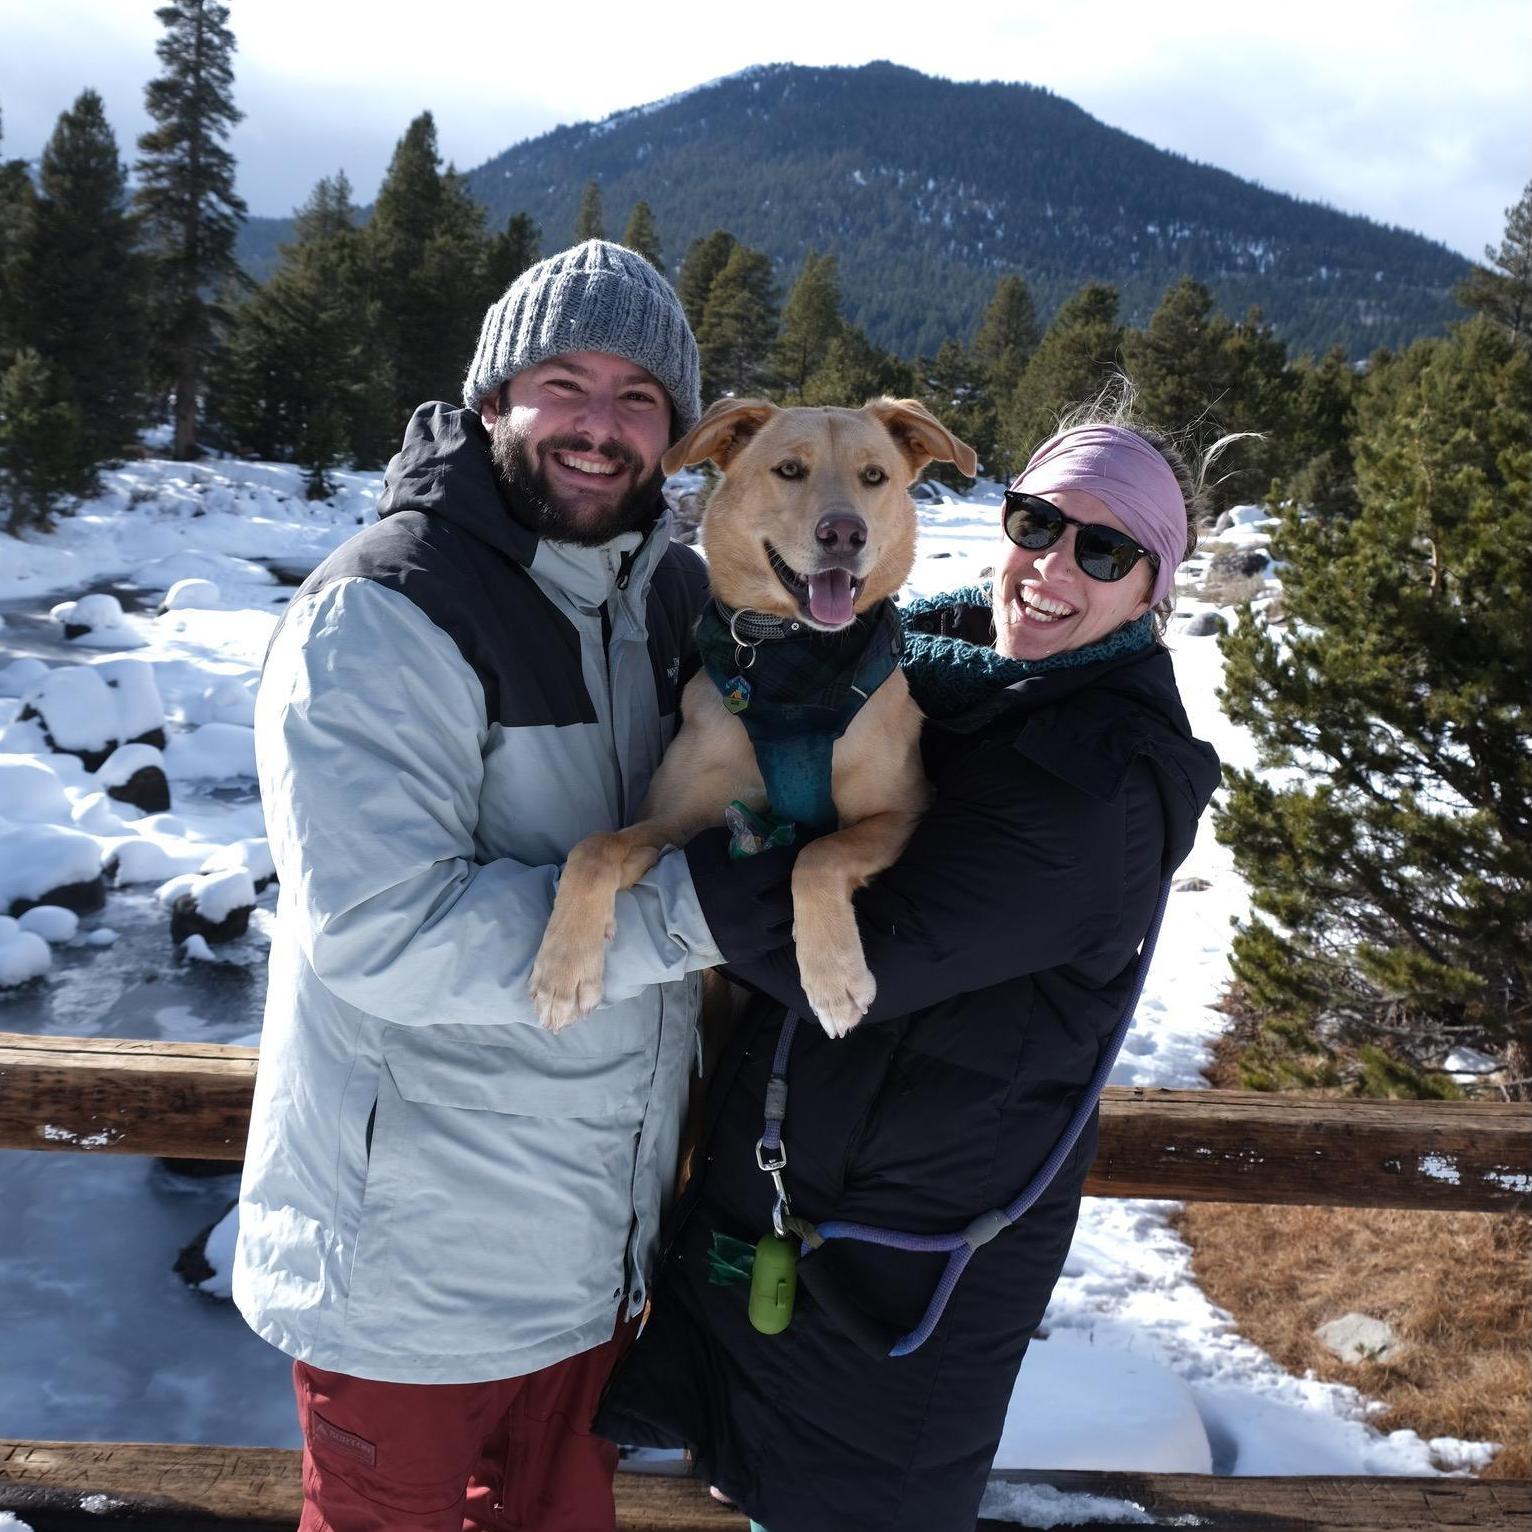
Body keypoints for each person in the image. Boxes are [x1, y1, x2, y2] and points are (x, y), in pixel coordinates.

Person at [597, 389, 1225, 1532]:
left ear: (1154, 584)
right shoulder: (930, 666)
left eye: (1103, 547)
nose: (1052, 565)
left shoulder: (1101, 786)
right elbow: (792, 622)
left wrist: (718, 845)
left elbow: (860, 968)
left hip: (896, 1282)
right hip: (794, 1223)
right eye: (1035, 524)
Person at [233, 240, 726, 1532]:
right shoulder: (392, 606)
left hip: (590, 1276)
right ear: (492, 398)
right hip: (406, 1295)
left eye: (638, 399)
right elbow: (383, 932)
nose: (600, 427)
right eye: (565, 383)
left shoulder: (667, 598)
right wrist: (689, 913)